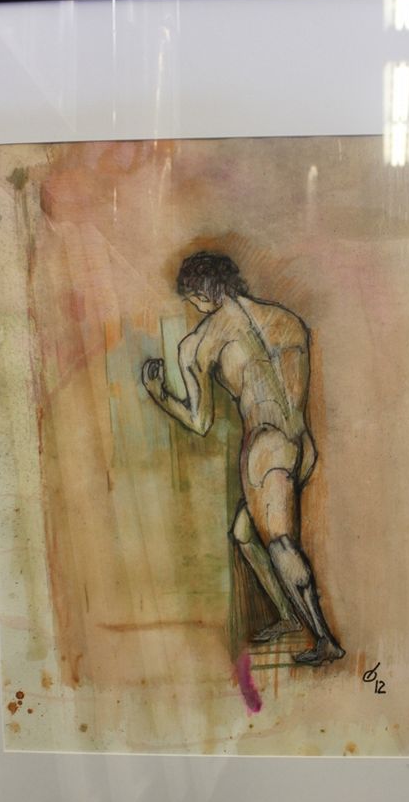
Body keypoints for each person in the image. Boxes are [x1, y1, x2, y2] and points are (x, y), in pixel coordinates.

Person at [142, 251, 344, 666]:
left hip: (265, 451)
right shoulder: (287, 320)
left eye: (192, 300)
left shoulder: (198, 343)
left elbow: (199, 421)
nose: (194, 307)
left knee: (282, 543)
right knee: (243, 533)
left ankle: (325, 639)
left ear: (201, 295)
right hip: (301, 444)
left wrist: (159, 394)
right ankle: (289, 615)